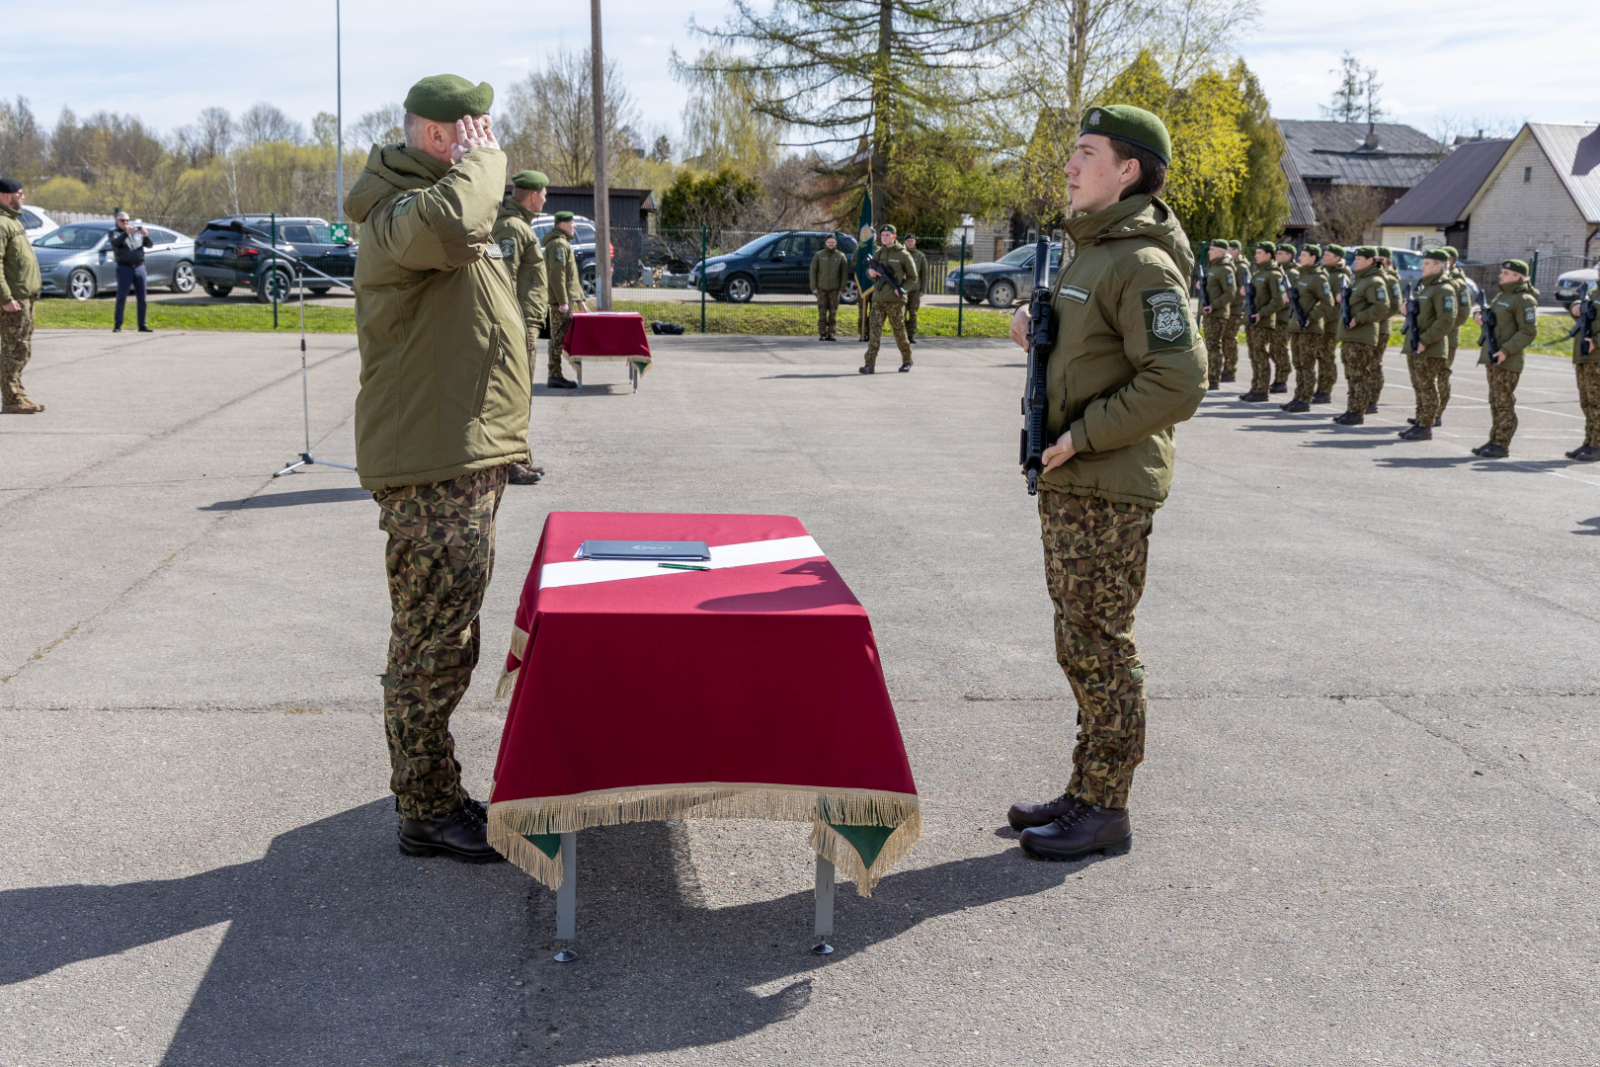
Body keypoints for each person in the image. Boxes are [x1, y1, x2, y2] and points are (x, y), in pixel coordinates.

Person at [1002, 105, 1205, 862]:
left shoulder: (1141, 262)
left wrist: (1081, 436)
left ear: (1128, 170)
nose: (1068, 164)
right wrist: (1034, 321)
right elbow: (1089, 348)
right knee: (1078, 640)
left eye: (1085, 153)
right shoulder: (1092, 250)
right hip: (1075, 478)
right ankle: (1087, 786)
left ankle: (1106, 808)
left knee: (1100, 645)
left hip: (1106, 481)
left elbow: (1180, 381)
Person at [345, 74, 532, 863]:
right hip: (432, 465)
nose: (487, 140)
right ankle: (425, 806)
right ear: (437, 136)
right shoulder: (403, 215)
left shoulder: (442, 202)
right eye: (475, 129)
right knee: (431, 640)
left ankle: (427, 788)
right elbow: (458, 224)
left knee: (447, 633)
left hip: (459, 456)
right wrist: (484, 163)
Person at [493, 169, 550, 484]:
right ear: (532, 195)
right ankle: (509, 462)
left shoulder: (516, 226)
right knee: (515, 394)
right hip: (517, 322)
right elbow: (505, 278)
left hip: (523, 321)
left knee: (519, 393)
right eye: (544, 194)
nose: (545, 199)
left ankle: (518, 455)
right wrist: (514, 323)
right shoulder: (512, 228)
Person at [1469, 259, 1538, 458]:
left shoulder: (1525, 300)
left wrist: (1506, 350)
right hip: (1493, 356)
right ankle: (1494, 439)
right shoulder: (1502, 295)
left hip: (1507, 359)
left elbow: (1528, 331)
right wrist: (1478, 314)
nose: (1501, 276)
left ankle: (1502, 443)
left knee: (1504, 401)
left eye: (1506, 273)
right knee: (1495, 400)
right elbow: (1490, 313)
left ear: (1518, 277)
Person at [1397, 249, 1456, 441]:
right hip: (1417, 345)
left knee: (1428, 387)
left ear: (1438, 266)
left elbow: (1446, 320)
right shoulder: (1428, 287)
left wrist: (1425, 340)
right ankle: (1420, 422)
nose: (1422, 266)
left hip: (1429, 347)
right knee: (1420, 387)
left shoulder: (1444, 289)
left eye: (1427, 263)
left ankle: (1425, 427)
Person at [0, 177, 43, 414]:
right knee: (13, 348)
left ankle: (18, 394)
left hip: (24, 298)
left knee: (21, 348)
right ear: (5, 196)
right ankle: (12, 399)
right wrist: (5, 299)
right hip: (13, 300)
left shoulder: (11, 221)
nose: (23, 196)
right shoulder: (1, 222)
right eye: (19, 192)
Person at [1332, 247, 1389, 426]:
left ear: (1371, 260)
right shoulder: (1359, 280)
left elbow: (1381, 307)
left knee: (1359, 375)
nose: (1355, 261)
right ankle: (1352, 409)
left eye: (1359, 259)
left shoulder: (1374, 281)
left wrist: (1359, 319)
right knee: (1352, 375)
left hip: (1361, 336)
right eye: (1355, 259)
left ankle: (1357, 412)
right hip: (1351, 335)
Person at [1281, 244, 1332, 412]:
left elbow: (1327, 302)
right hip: (1296, 327)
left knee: (1306, 364)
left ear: (1313, 258)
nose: (1299, 258)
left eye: (1303, 255)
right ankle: (1298, 396)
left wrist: (1310, 318)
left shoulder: (1318, 277)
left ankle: (1305, 399)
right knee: (1298, 364)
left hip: (1309, 329)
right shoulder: (1302, 276)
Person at [860, 223, 916, 374]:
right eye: (882, 235)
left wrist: (904, 289)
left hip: (896, 301)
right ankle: (869, 364)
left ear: (894, 236)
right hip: (878, 299)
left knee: (899, 332)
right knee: (874, 332)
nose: (884, 237)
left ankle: (907, 360)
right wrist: (869, 272)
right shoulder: (877, 254)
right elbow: (870, 272)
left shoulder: (904, 255)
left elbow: (913, 277)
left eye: (887, 235)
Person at [541, 211, 587, 389]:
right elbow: (557, 275)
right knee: (558, 338)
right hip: (561, 301)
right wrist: (562, 302)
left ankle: (555, 374)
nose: (574, 225)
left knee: (559, 337)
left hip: (566, 299)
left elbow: (571, 277)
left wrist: (580, 299)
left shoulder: (563, 243)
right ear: (562, 225)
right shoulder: (558, 245)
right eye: (571, 222)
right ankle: (555, 375)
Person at [1240, 241, 1286, 402]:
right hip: (1252, 320)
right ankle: (1255, 387)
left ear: (1268, 254)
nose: (1256, 255)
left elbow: (1279, 301)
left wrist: (1262, 314)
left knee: (1260, 355)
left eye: (1259, 253)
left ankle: (1262, 390)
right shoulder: (1259, 273)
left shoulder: (1274, 274)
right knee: (1254, 355)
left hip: (1262, 322)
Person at [1566, 284, 1600, 461]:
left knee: (1597, 403)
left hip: (1597, 356)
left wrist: (1596, 341)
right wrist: (1575, 307)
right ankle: (1590, 441)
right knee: (1587, 402)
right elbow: (1583, 301)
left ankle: (1598, 444)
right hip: (1583, 355)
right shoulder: (1594, 291)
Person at [1368, 246, 1402, 411]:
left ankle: (1372, 399)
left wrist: (1377, 317)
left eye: (1380, 260)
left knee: (1374, 364)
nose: (1377, 263)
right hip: (1366, 328)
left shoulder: (1390, 279)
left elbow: (1395, 305)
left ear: (1388, 261)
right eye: (1375, 259)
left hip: (1380, 328)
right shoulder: (1371, 276)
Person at [110, 211, 154, 334]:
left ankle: (142, 325)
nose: (125, 223)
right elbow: (115, 243)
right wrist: (125, 233)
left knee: (142, 297)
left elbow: (149, 245)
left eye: (127, 220)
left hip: (139, 268)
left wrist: (146, 236)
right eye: (122, 220)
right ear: (117, 221)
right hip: (124, 268)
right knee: (121, 297)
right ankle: (118, 325)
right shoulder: (114, 233)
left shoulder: (137, 232)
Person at [1317, 245, 1350, 404]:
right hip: (1320, 323)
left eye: (1328, 254)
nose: (1324, 256)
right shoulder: (1325, 273)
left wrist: (1323, 319)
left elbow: (1338, 305)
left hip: (1330, 325)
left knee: (1326, 357)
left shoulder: (1339, 277)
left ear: (1337, 258)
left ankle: (1325, 390)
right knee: (1319, 355)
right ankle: (1320, 388)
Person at [1200, 239, 1233, 390]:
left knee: (1214, 347)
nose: (1209, 252)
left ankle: (1214, 379)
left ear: (1221, 252)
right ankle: (1210, 376)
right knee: (1210, 345)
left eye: (1212, 249)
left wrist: (1213, 306)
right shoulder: (1214, 267)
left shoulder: (1225, 269)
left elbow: (1230, 293)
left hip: (1217, 314)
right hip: (1210, 313)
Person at [809, 234, 849, 341]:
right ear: (825, 243)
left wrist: (842, 288)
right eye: (829, 242)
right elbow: (813, 271)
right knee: (822, 312)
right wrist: (814, 287)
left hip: (834, 290)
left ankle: (831, 333)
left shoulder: (840, 256)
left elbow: (844, 273)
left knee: (833, 313)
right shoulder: (819, 255)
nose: (831, 244)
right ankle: (822, 333)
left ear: (835, 243)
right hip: (821, 289)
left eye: (833, 242)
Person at [1268, 243, 1296, 393]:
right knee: (1274, 349)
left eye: (1281, 253)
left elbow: (1288, 297)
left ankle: (1282, 379)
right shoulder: (1279, 270)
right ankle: (1279, 378)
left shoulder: (1291, 272)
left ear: (1289, 256)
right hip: (1276, 315)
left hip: (1284, 317)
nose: (1277, 255)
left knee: (1280, 348)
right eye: (1277, 253)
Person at [1222, 240, 1244, 382]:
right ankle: (1226, 369)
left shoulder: (1241, 267)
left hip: (1235, 310)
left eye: (1228, 250)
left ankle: (1230, 371)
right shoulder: (1229, 265)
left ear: (1235, 251)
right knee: (1225, 340)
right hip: (1227, 309)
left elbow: (1242, 292)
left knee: (1230, 341)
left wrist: (1228, 301)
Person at [903, 235, 928, 343]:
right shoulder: (901, 254)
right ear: (904, 242)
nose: (909, 243)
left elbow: (924, 273)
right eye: (908, 241)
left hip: (915, 289)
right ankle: (902, 335)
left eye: (911, 241)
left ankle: (911, 334)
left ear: (915, 242)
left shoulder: (920, 256)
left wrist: (923, 289)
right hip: (903, 289)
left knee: (913, 312)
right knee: (901, 313)